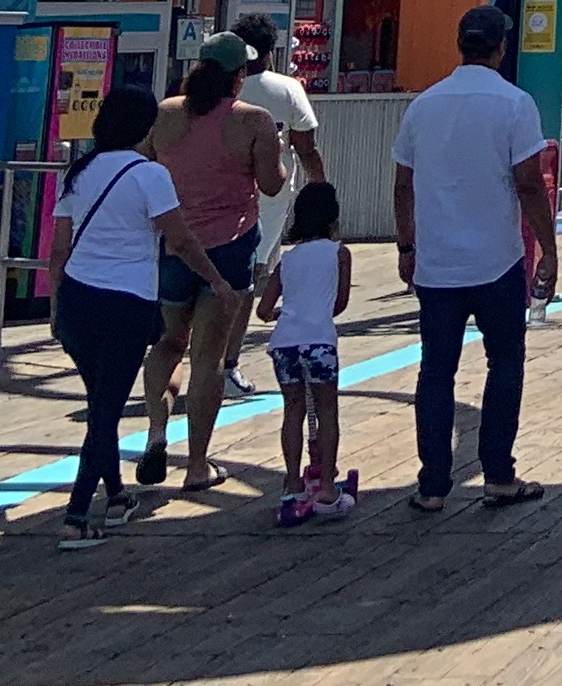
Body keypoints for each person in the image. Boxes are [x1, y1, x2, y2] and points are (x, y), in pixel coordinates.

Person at [45, 85, 228, 549]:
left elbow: (59, 250)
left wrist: (55, 308)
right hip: (125, 303)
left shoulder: (78, 173)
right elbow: (181, 241)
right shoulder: (150, 176)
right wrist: (218, 281)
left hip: (78, 302)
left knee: (100, 404)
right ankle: (76, 516)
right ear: (146, 126)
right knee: (105, 411)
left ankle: (118, 495)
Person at [393, 2, 558, 512]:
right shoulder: (514, 104)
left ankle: (432, 485)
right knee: (504, 362)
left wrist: (407, 246)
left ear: (459, 45)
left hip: (437, 263)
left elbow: (403, 184)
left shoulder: (424, 105)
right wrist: (548, 251)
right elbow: (530, 184)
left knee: (435, 372)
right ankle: (499, 476)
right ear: (502, 47)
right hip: (498, 260)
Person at [140, 50, 287, 493]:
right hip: (228, 247)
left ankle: (155, 433)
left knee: (167, 343)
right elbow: (272, 184)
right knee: (208, 357)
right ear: (239, 77)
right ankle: (198, 464)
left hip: (171, 245)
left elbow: (143, 166)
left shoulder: (164, 113)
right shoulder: (254, 121)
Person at [255, 178, 358, 528]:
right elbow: (339, 303)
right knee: (327, 412)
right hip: (319, 340)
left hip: (284, 343)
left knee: (293, 411)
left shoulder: (288, 259)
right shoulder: (339, 253)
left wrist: (286, 311)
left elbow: (264, 311)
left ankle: (293, 484)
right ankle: (327, 487)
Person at [235, 14, 330, 188]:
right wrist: (321, 190)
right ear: (269, 54)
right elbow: (306, 149)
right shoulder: (288, 88)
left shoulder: (220, 88)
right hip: (274, 195)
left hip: (224, 195)